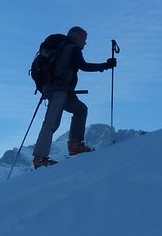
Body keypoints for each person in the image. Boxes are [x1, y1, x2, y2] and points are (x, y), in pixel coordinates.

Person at [32, 26, 116, 169]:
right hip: (59, 90)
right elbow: (83, 66)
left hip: (57, 90)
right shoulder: (72, 48)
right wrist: (106, 65)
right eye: (84, 39)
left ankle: (75, 144)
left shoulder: (61, 48)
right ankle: (40, 158)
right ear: (78, 37)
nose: (85, 43)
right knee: (51, 122)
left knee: (80, 109)